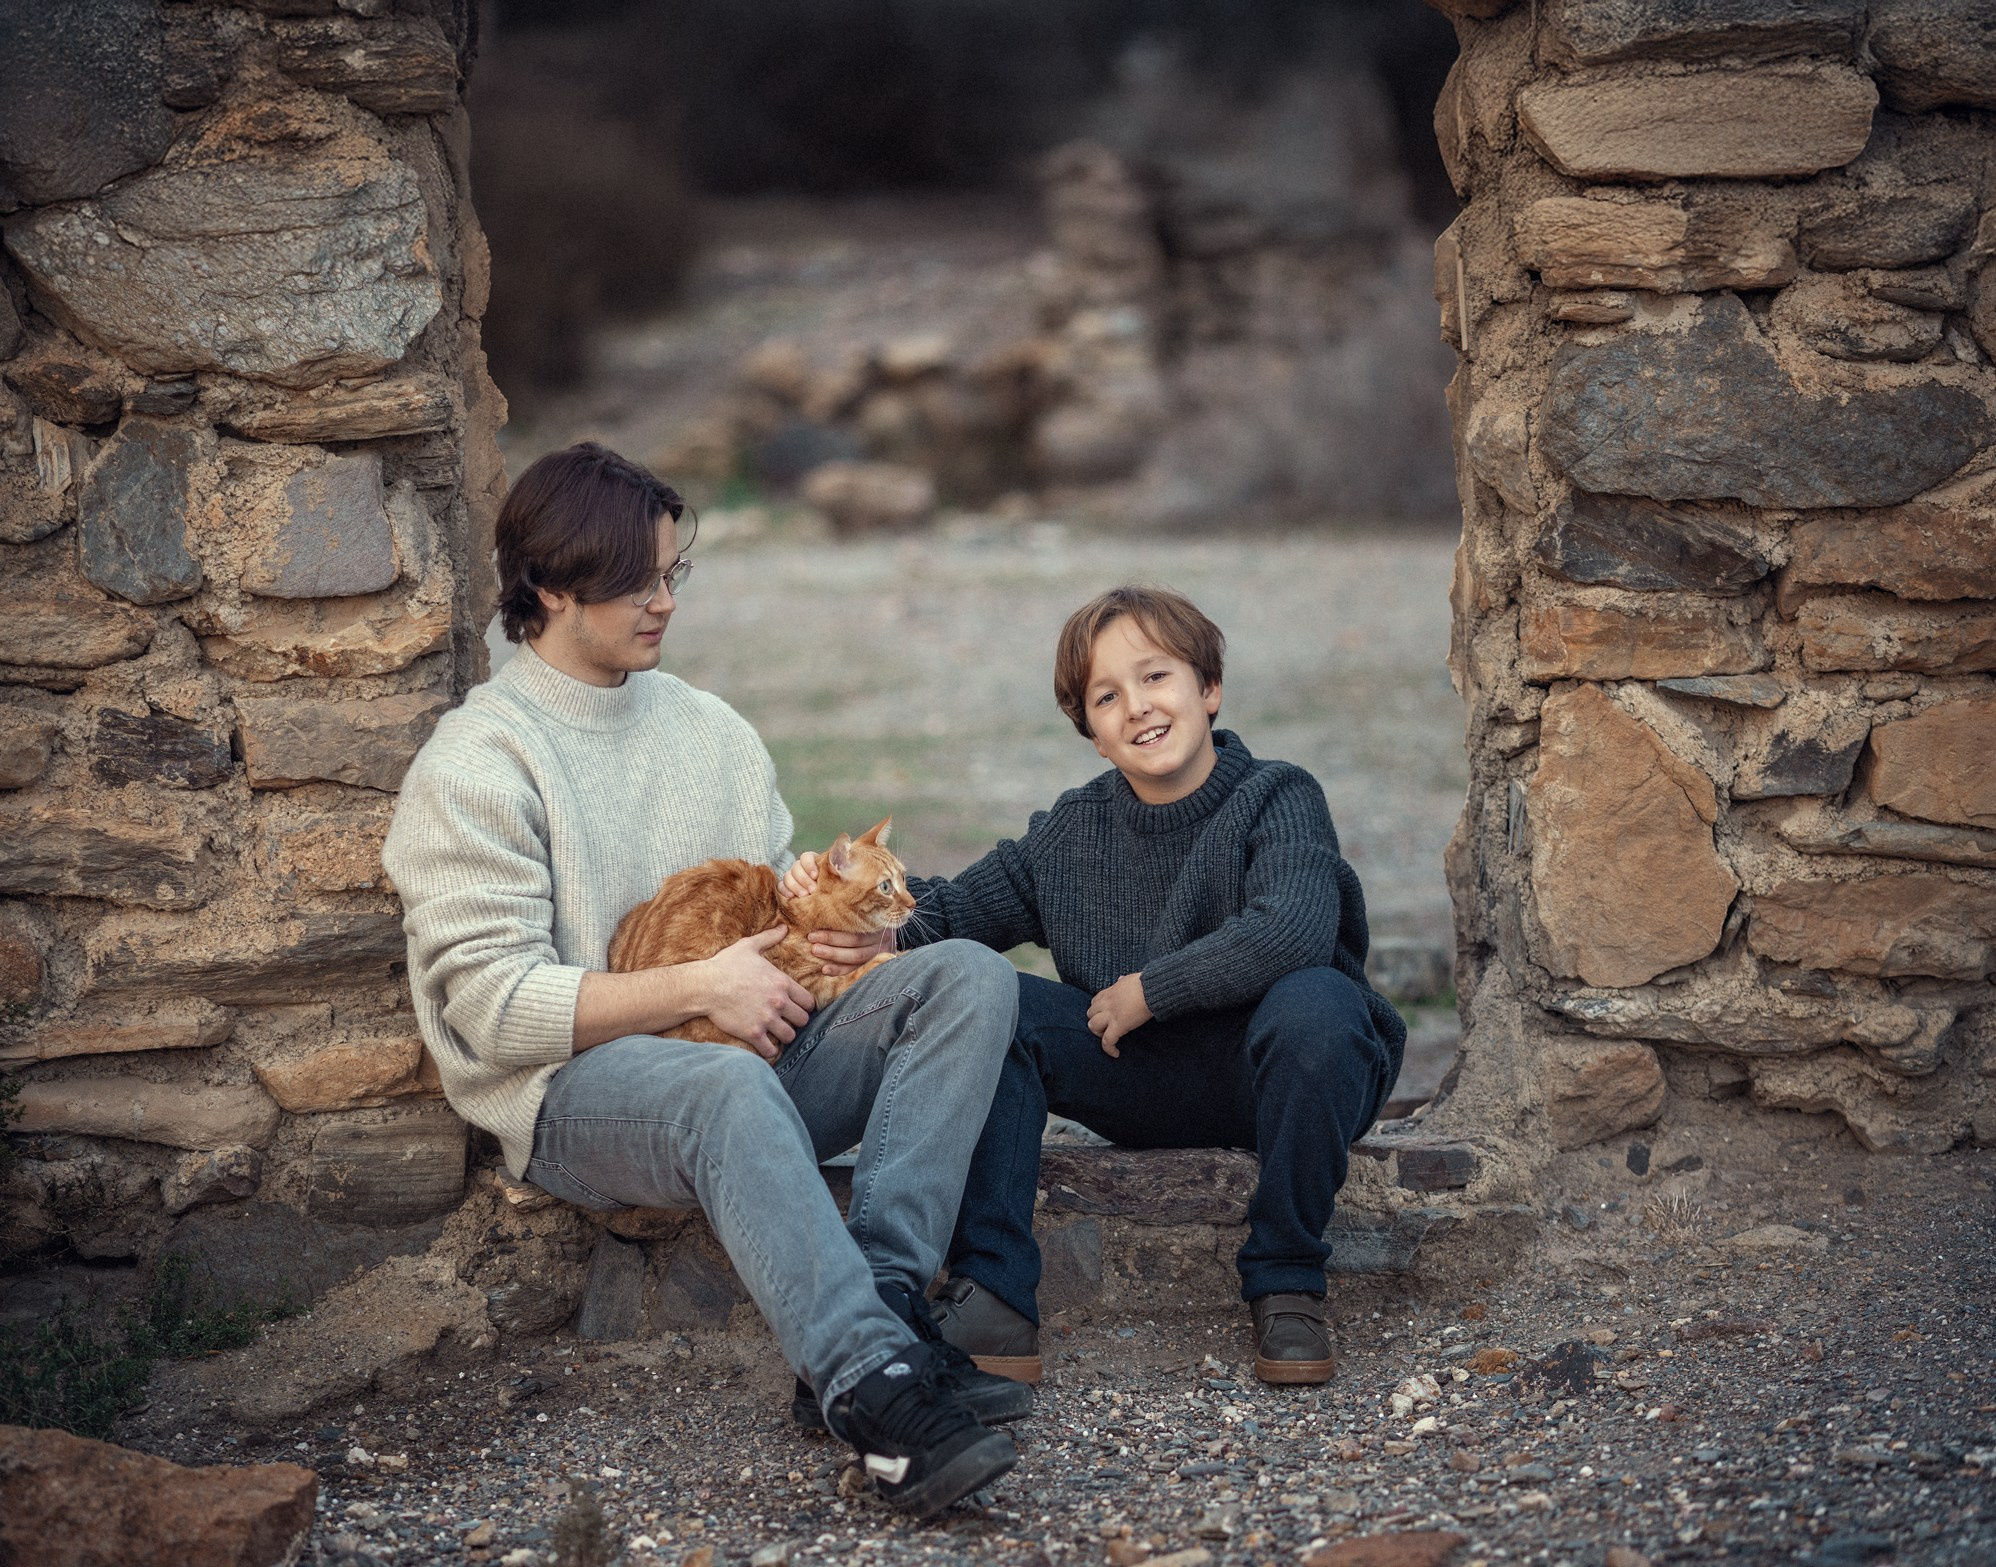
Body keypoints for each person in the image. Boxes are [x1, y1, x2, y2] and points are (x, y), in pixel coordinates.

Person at [383, 442, 1029, 1517]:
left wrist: (831, 939)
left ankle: (877, 1317)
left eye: (675, 574)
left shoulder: (713, 731)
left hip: (754, 1044)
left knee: (961, 975)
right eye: (640, 580)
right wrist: (699, 988)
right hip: (577, 1094)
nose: (664, 602)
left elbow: (775, 916)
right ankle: (876, 1398)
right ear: (550, 585)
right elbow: (488, 1012)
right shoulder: (477, 760)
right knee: (719, 1087)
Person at [784, 586, 1404, 1386]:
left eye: (1156, 678)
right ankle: (995, 1293)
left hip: (1291, 1071)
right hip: (1142, 1075)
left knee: (1317, 1003)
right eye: (1107, 697)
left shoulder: (1279, 797)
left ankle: (1286, 1280)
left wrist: (1152, 989)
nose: (1137, 707)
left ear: (1208, 689)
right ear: (1093, 734)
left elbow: (1291, 931)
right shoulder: (1072, 834)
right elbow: (957, 908)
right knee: (988, 998)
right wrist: (854, 910)